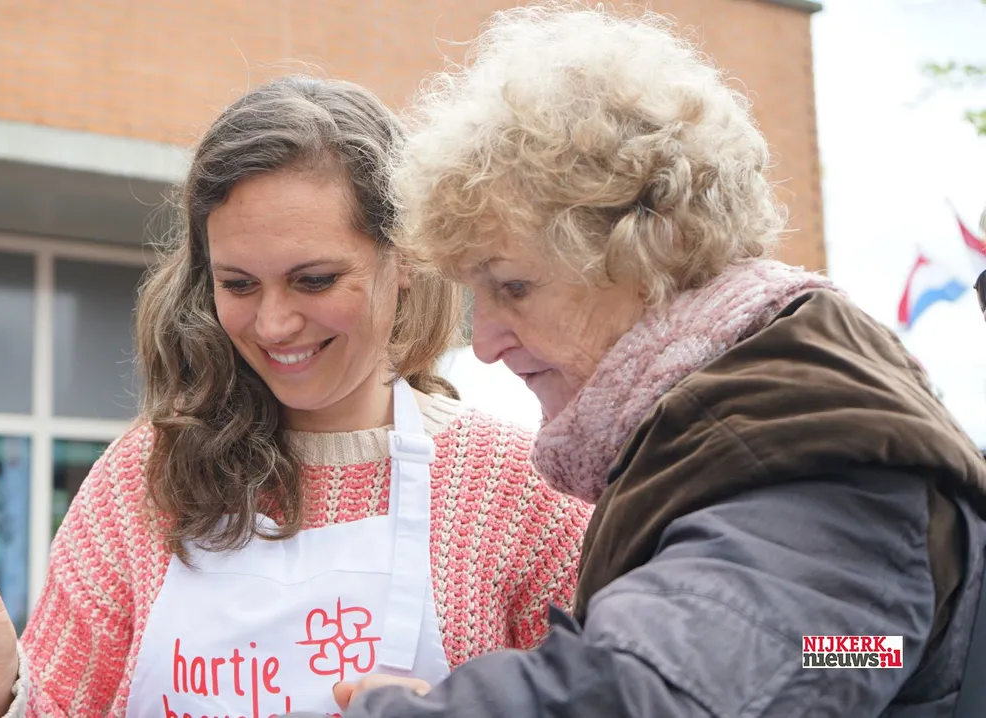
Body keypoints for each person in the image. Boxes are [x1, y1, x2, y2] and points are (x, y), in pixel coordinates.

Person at [307, 3, 986, 716]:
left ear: (650, 250)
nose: (485, 340)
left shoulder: (805, 448)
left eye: (513, 287)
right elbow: (844, 651)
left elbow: (662, 691)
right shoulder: (766, 421)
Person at [0, 75, 592, 718]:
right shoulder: (144, 481)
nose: (274, 324)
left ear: (404, 258)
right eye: (239, 284)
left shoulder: (519, 496)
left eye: (313, 279)